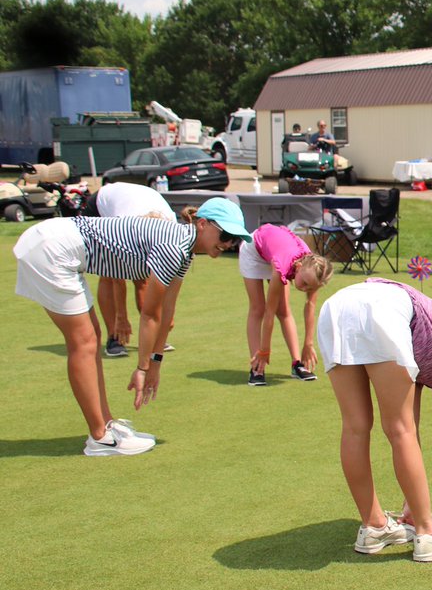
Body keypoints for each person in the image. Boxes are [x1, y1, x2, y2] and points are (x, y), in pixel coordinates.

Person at [12, 198, 252, 456]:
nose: (228, 243)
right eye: (225, 234)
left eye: (234, 239)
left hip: (57, 246)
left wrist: (155, 363)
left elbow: (167, 311)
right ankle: (100, 437)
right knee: (84, 342)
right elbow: (150, 314)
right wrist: (142, 368)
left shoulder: (184, 250)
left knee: (91, 338)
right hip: (52, 249)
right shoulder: (174, 247)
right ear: (203, 224)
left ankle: (105, 425)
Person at [316, 279, 432, 562]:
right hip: (384, 310)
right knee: (399, 429)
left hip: (337, 307)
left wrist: (412, 502)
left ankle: (374, 526)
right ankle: (428, 534)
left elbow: (413, 433)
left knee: (356, 427)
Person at [82, 182, 177, 358]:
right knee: (108, 275)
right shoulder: (124, 229)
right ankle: (114, 336)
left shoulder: (172, 229)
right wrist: (122, 318)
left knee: (143, 278)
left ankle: (152, 332)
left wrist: (167, 313)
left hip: (135, 199)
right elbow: (118, 277)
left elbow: (169, 276)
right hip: (101, 206)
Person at [242, 224, 335, 386]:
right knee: (258, 308)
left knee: (284, 310)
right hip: (254, 251)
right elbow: (269, 313)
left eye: (311, 287)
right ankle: (257, 367)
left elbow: (310, 308)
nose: (305, 289)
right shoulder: (282, 267)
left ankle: (296, 364)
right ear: (298, 268)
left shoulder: (314, 272)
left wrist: (308, 343)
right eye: (304, 283)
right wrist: (264, 350)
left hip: (277, 250)